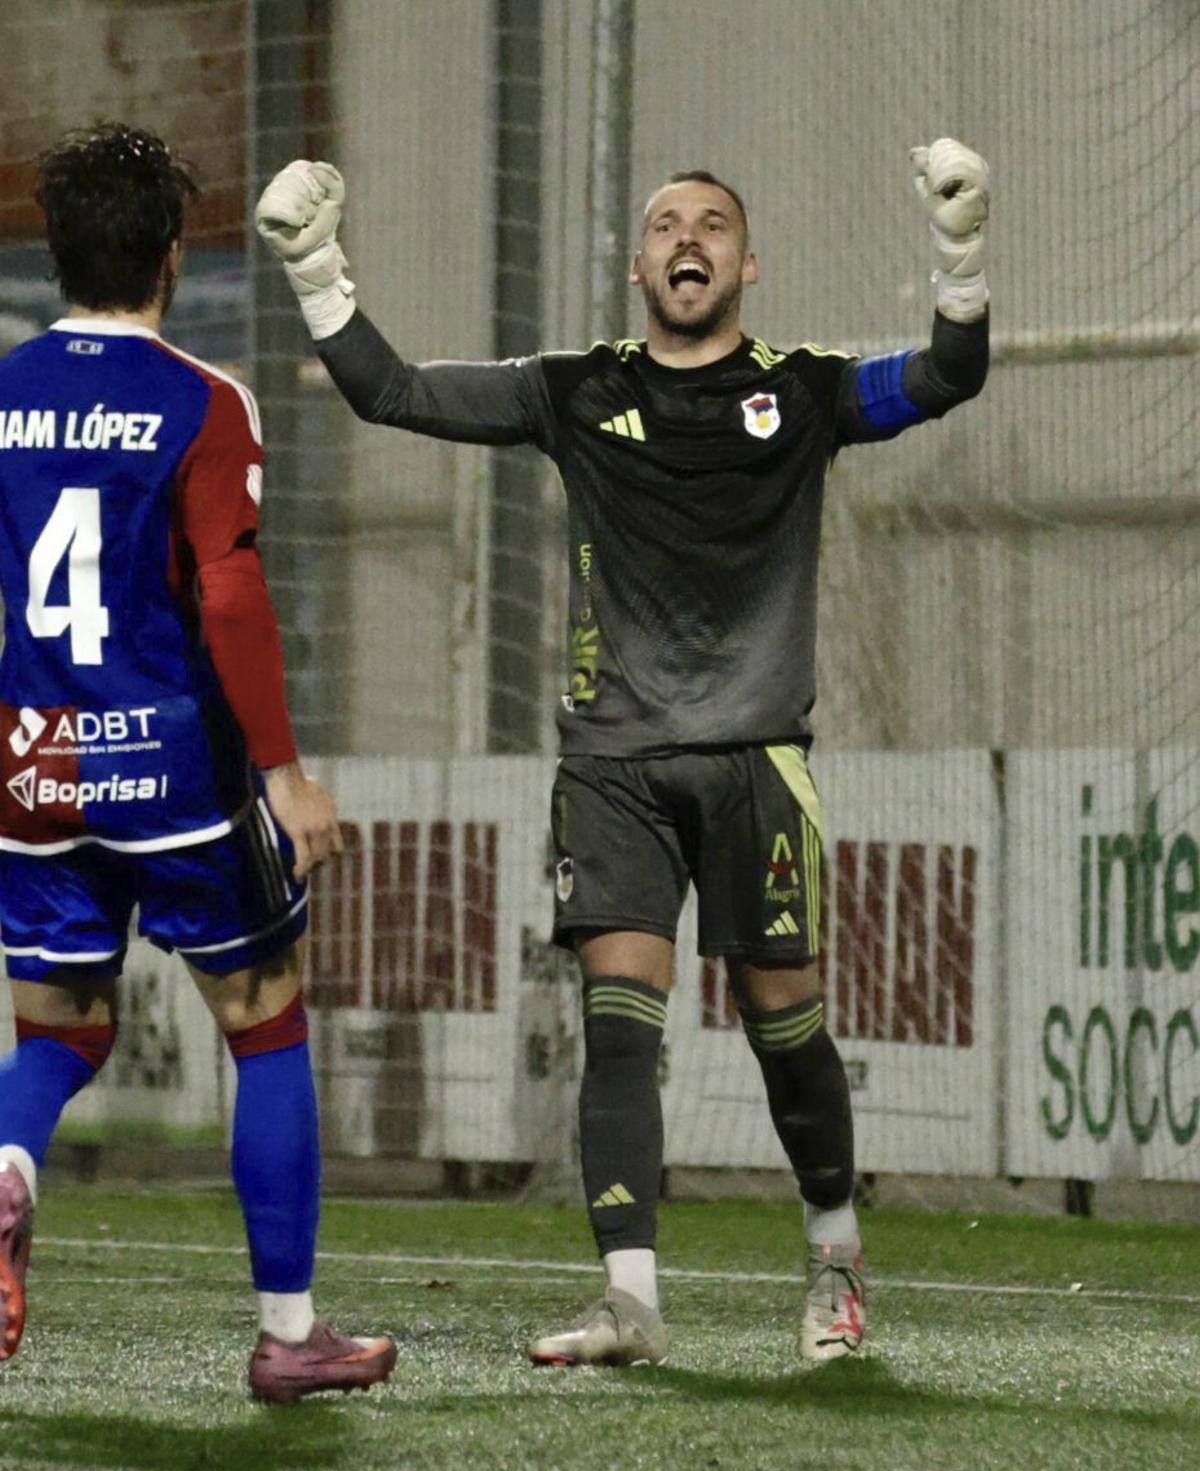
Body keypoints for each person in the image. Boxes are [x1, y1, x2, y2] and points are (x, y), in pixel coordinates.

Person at [256, 137, 990, 1366]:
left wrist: (960, 255)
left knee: (786, 1023)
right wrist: (313, 265)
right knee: (619, 1026)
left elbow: (948, 377)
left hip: (760, 760)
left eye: (710, 223)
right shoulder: (574, 390)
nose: (685, 239)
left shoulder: (802, 389)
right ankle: (632, 1302)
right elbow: (389, 390)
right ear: (634, 263)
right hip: (613, 767)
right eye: (663, 225)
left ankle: (836, 1264)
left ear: (748, 262)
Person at [0, 124, 396, 1402]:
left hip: (33, 764)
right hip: (169, 771)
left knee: (58, 1025)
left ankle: (5, 1171)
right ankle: (289, 1337)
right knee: (263, 1021)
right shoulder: (203, 399)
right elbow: (228, 593)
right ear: (173, 257)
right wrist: (281, 773)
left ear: (52, 253)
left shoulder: (3, 393)